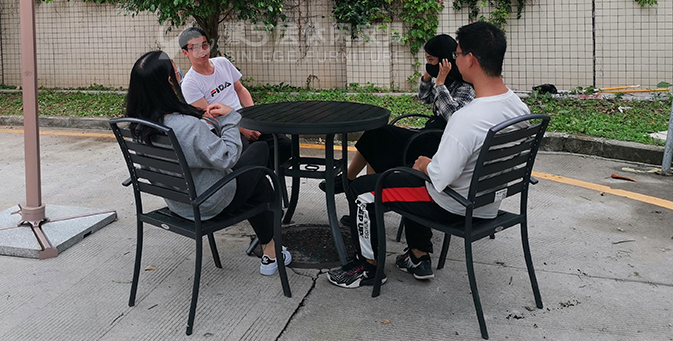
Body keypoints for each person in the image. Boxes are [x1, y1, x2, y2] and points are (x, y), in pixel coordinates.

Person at [327, 21, 529, 288]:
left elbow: (440, 177)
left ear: (470, 59)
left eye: (457, 54)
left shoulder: (467, 118)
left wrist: (425, 164)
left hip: (454, 205)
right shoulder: (519, 107)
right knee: (401, 173)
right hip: (486, 203)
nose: (455, 59)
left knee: (363, 192)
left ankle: (368, 268)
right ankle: (415, 255)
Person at [125, 50, 291, 276]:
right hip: (209, 201)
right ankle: (272, 249)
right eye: (175, 67)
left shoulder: (136, 127)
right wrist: (230, 117)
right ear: (170, 81)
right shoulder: (185, 127)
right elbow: (228, 157)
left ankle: (271, 250)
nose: (179, 70)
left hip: (178, 202)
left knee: (257, 181)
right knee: (259, 152)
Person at [320, 34, 474, 195]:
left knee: (378, 137)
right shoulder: (445, 80)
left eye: (431, 60)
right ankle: (363, 191)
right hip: (427, 135)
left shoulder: (465, 88)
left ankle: (350, 182)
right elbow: (424, 99)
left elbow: (453, 116)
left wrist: (440, 84)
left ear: (444, 60)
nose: (428, 64)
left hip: (437, 143)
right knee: (376, 136)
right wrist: (427, 79)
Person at [178, 27, 291, 166]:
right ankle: (252, 173)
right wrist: (241, 128)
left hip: (245, 118)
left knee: (285, 145)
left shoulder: (222, 63)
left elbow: (240, 89)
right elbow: (210, 116)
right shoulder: (190, 83)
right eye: (195, 48)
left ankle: (259, 173)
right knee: (250, 157)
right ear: (185, 52)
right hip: (223, 130)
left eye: (205, 45)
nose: (202, 50)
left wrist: (254, 118)